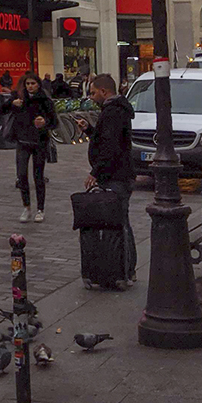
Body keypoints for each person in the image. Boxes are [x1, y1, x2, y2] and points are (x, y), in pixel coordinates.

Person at [77, 74, 137, 282]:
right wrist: (90, 130)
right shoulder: (116, 110)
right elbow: (106, 139)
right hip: (118, 174)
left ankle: (126, 269)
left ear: (104, 91)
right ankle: (125, 269)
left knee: (120, 222)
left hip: (116, 176)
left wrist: (96, 172)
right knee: (121, 220)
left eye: (93, 92)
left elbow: (110, 146)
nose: (91, 97)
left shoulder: (113, 112)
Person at [6, 72, 57, 223]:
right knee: (21, 175)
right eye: (28, 84)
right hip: (22, 141)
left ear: (38, 84)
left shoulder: (44, 100)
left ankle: (40, 209)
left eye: (33, 83)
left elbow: (54, 121)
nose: (30, 86)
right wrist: (12, 104)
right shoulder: (19, 97)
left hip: (39, 142)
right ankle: (26, 207)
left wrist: (45, 122)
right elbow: (2, 109)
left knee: (38, 176)